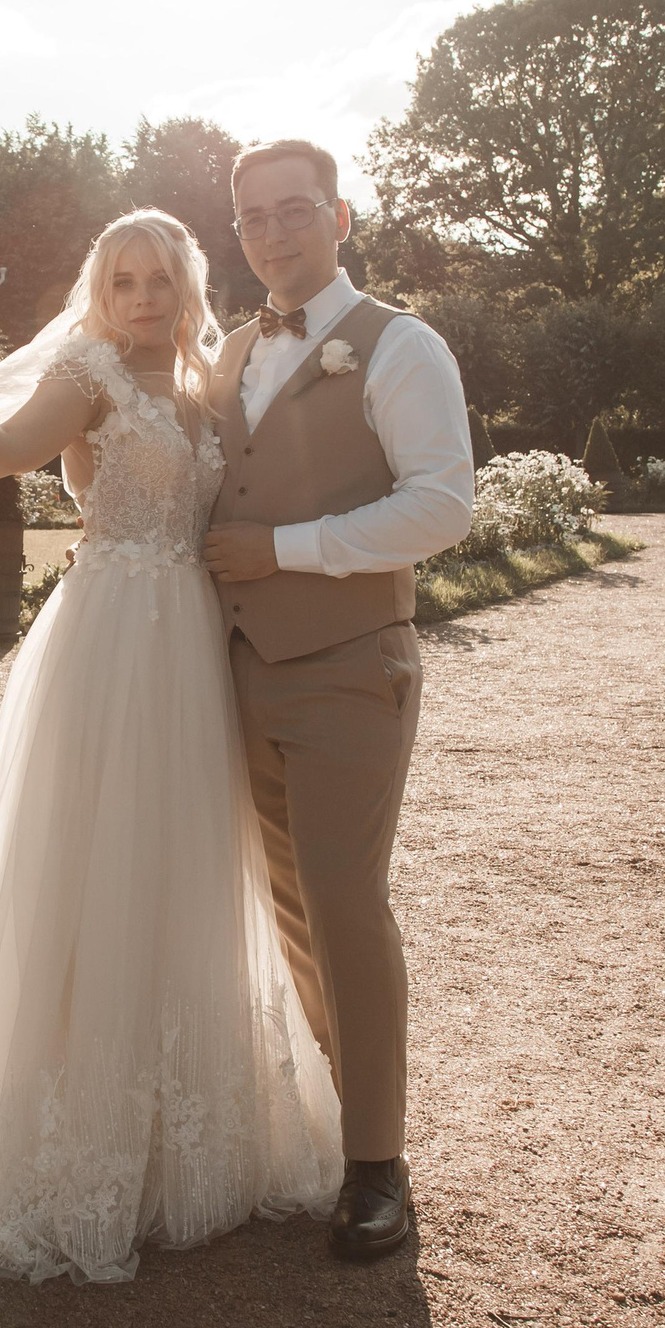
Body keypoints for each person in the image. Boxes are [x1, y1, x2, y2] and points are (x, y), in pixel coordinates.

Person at [0, 210, 343, 1284]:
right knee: (96, 869)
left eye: (161, 277)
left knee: (191, 869)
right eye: (123, 279)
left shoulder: (216, 381)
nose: (144, 296)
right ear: (100, 291)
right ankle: (86, 1142)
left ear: (188, 284)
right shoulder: (88, 372)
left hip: (198, 648)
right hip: (110, 639)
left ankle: (191, 1135)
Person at [201, 139, 474, 1261]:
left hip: (351, 662)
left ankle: (378, 1166)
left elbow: (442, 507)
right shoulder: (226, 353)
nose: (274, 232)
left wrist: (289, 551)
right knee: (286, 909)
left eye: (295, 210)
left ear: (342, 216)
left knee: (345, 903)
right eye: (254, 217)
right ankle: (327, 1124)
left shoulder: (399, 345)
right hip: (230, 666)